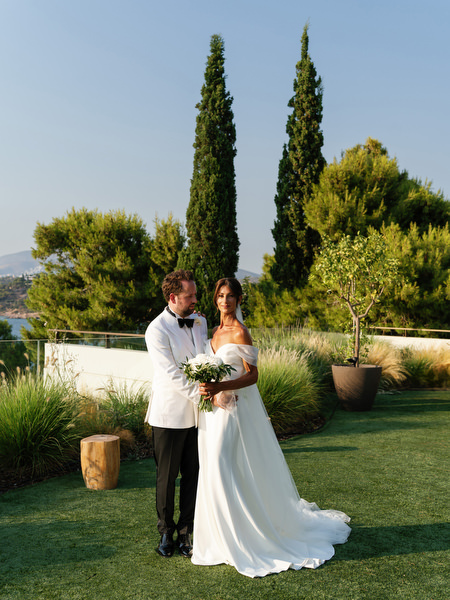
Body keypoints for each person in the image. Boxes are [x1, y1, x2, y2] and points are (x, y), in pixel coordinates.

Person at [191, 277, 351, 578]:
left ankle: (243, 538)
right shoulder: (214, 331)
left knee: (221, 464)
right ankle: (216, 538)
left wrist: (220, 385)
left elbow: (253, 376)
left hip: (234, 413)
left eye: (231, 296)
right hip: (212, 412)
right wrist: (209, 389)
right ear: (215, 299)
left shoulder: (240, 331)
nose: (225, 301)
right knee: (212, 467)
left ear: (239, 300)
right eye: (221, 296)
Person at [144, 269, 208, 558]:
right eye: (190, 295)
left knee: (193, 474)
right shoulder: (156, 329)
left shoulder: (200, 322)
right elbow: (170, 373)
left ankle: (186, 531)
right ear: (173, 297)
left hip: (199, 418)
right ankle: (165, 533)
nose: (195, 299)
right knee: (167, 478)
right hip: (169, 416)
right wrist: (203, 396)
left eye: (194, 294)